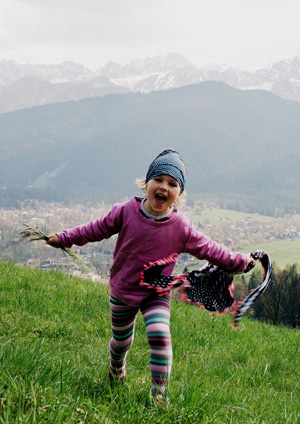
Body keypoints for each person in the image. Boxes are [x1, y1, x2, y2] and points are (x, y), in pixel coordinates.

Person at [46, 149, 254, 404]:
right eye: (158, 179)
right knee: (121, 341)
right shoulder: (125, 212)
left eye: (172, 183)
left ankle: (159, 395)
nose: (164, 187)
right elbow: (95, 229)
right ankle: (116, 368)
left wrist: (242, 261)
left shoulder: (182, 227)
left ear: (179, 194)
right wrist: (64, 238)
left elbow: (211, 249)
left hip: (155, 294)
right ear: (146, 184)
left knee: (160, 336)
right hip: (123, 290)